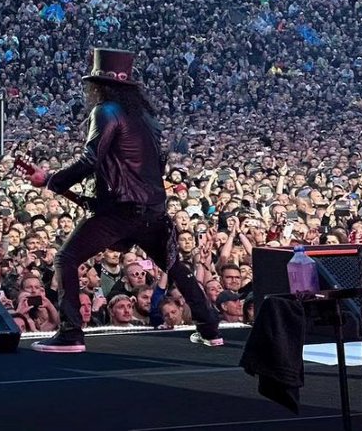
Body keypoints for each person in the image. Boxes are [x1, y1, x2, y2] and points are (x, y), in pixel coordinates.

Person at [29, 48, 222, 353]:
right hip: (153, 208)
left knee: (66, 259)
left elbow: (91, 158)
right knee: (173, 266)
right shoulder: (146, 117)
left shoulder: (105, 111)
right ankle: (210, 328)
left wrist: (53, 181)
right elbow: (157, 164)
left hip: (121, 210)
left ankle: (71, 334)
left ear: (99, 86)